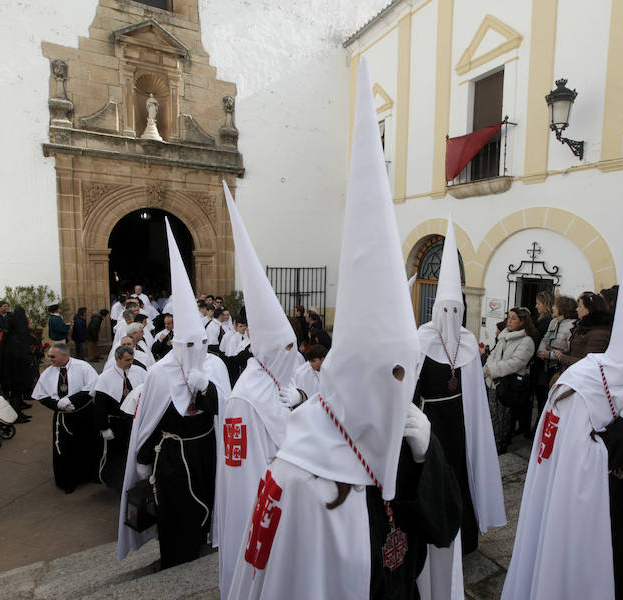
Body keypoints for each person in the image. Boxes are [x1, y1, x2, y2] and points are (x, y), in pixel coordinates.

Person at [227, 61, 461, 599]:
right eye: (392, 374)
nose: (401, 390)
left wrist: (429, 457)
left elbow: (443, 528)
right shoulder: (298, 473)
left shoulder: (405, 434)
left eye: (409, 373)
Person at [502, 139, 623, 600]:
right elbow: (580, 466)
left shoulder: (613, 382)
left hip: (611, 505)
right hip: (581, 517)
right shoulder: (583, 388)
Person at [118, 219, 231, 569]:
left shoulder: (214, 367)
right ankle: (176, 556)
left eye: (202, 343)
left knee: (207, 500)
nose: (197, 348)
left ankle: (203, 543)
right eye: (189, 344)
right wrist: (141, 458)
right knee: (177, 506)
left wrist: (206, 388)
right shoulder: (159, 373)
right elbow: (149, 417)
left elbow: (224, 410)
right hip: (173, 454)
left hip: (208, 447)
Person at [216, 183, 303, 597]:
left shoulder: (284, 381)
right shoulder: (241, 399)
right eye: (286, 348)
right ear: (268, 349)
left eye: (294, 346)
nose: (293, 354)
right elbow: (242, 471)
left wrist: (303, 404)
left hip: (291, 496)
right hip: (262, 504)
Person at [414, 216, 506, 599]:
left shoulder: (468, 343)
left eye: (457, 309)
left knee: (462, 476)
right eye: (445, 309)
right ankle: (435, 532)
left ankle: (466, 536)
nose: (451, 316)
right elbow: (412, 389)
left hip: (462, 424)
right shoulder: (421, 339)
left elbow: (474, 393)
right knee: (436, 477)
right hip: (432, 422)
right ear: (437, 310)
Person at [32, 342, 101, 493]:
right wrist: (57, 405)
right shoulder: (49, 372)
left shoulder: (83, 367)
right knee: (64, 448)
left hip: (83, 413)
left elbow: (92, 387)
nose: (50, 359)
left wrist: (72, 400)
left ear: (64, 355)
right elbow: (41, 396)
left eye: (53, 356)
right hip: (62, 417)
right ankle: (67, 481)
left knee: (87, 443)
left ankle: (90, 475)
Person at [93, 345, 146, 490]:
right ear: (117, 359)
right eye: (127, 360)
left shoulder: (140, 372)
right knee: (117, 454)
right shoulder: (105, 378)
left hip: (134, 421)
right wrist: (104, 428)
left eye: (132, 359)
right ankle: (117, 482)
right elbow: (100, 406)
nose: (130, 363)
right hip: (116, 423)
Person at [484, 307, 536, 450]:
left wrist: (493, 370)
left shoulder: (526, 341)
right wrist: (488, 368)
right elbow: (493, 355)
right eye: (509, 318)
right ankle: (492, 442)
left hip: (508, 386)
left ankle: (501, 444)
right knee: (492, 414)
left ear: (522, 321)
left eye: (514, 318)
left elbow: (515, 363)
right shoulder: (503, 337)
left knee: (504, 418)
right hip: (493, 382)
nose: (509, 321)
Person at [552, 291, 613, 374]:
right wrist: (562, 353)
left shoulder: (599, 333)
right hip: (574, 374)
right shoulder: (584, 327)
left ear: (588, 310)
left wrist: (562, 357)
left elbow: (588, 363)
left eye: (580, 306)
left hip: (582, 379)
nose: (576, 309)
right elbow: (576, 351)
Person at [0, 306, 38, 423]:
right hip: (14, 370)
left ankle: (18, 412)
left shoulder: (15, 335)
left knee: (17, 391)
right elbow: (18, 355)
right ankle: (15, 415)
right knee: (15, 392)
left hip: (16, 368)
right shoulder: (14, 338)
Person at [535, 295, 577, 391]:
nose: (552, 307)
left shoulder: (572, 325)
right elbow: (546, 338)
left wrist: (550, 355)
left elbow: (569, 349)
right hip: (546, 364)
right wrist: (541, 350)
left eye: (555, 305)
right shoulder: (554, 321)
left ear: (563, 308)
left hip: (559, 367)